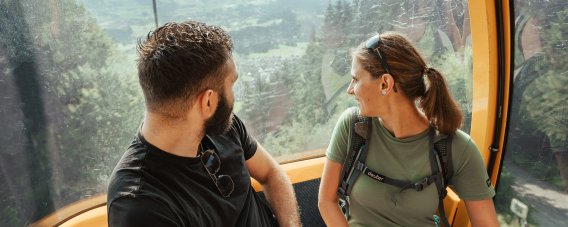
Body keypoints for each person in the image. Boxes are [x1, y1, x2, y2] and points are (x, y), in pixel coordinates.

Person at [107, 21, 301, 227]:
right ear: (208, 101)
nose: (233, 97)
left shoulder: (223, 126)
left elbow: (271, 173)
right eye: (231, 85)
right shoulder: (140, 206)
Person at [318, 32, 499, 226]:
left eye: (355, 79)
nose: (350, 89)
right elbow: (326, 201)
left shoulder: (457, 148)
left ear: (385, 84)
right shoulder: (353, 127)